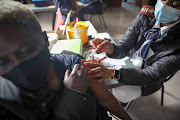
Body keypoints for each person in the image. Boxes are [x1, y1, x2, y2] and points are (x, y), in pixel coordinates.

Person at [0, 1, 131, 120]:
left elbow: (106, 100)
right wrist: (73, 97)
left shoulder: (74, 65)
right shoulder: (6, 104)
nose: (20, 67)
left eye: (26, 51)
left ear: (45, 40)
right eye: (3, 62)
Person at [85, 0, 180, 99]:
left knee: (114, 93)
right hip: (129, 61)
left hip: (146, 81)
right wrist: (111, 48)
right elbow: (125, 47)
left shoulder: (177, 47)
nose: (165, 5)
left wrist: (112, 73)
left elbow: (150, 75)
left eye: (174, 3)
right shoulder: (146, 16)